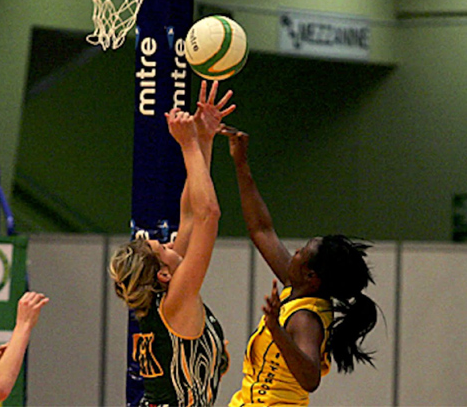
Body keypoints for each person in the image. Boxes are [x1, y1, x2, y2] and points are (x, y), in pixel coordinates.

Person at [220, 126, 379, 406]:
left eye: (302, 252)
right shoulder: (299, 286)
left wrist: (275, 328)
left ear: (312, 276)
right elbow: (261, 230)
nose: (293, 252)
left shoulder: (306, 318)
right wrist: (241, 163)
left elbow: (310, 378)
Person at [109, 80, 235, 406]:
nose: (171, 244)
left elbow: (191, 216)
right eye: (163, 248)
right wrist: (188, 145)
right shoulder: (176, 300)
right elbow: (209, 214)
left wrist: (204, 138)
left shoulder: (163, 297)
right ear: (163, 275)